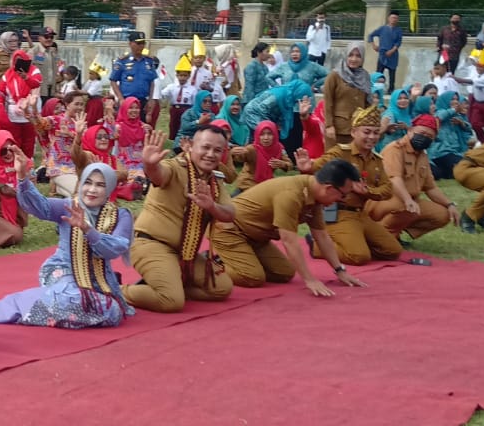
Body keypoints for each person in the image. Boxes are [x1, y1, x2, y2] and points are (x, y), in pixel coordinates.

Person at [0, 157, 133, 328]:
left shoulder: (120, 215)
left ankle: (48, 302)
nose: (92, 190)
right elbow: (40, 206)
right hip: (62, 271)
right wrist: (23, 178)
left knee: (113, 312)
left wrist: (88, 230)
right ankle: (28, 304)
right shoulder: (68, 206)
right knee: (72, 298)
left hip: (98, 279)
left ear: (110, 189)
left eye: (100, 185)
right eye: (88, 183)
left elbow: (117, 247)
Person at [211, 159, 371, 297]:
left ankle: (238, 259)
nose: (342, 200)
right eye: (342, 195)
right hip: (229, 230)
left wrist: (340, 270)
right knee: (252, 278)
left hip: (257, 238)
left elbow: (321, 236)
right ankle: (211, 263)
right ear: (329, 188)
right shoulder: (292, 195)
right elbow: (289, 241)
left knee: (283, 273)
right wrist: (310, 280)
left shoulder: (314, 195)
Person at [122, 125, 236, 313]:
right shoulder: (175, 166)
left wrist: (211, 206)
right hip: (151, 244)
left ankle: (170, 284)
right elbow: (159, 175)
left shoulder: (215, 180)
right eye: (205, 147)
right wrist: (149, 164)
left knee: (222, 288)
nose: (210, 154)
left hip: (184, 254)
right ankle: (114, 290)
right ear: (190, 146)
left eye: (217, 150)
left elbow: (230, 213)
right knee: (171, 302)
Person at [306, 105, 399, 265]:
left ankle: (354, 241)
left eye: (376, 132)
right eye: (366, 131)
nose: (372, 137)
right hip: (337, 214)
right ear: (353, 132)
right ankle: (317, 246)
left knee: (393, 251)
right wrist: (305, 167)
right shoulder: (340, 153)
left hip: (361, 214)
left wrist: (367, 191)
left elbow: (388, 190)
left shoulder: (376, 160)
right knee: (358, 257)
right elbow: (315, 168)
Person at [372, 114, 457, 246]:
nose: (424, 138)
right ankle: (380, 236)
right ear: (410, 130)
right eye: (421, 133)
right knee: (406, 208)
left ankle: (395, 232)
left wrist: (449, 204)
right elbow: (394, 179)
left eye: (430, 137)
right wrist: (408, 200)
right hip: (385, 200)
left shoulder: (422, 155)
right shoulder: (395, 149)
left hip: (408, 201)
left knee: (442, 215)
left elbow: (431, 188)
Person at [322, 42, 374, 145]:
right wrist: (329, 125)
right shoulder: (335, 76)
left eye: (358, 56)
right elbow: (328, 102)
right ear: (346, 56)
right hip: (338, 130)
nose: (354, 59)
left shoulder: (364, 76)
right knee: (335, 159)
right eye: (351, 55)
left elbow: (367, 103)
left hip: (358, 130)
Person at [427, 93, 473, 179]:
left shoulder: (457, 115)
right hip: (440, 152)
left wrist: (461, 123)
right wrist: (453, 110)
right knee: (463, 167)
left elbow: (469, 129)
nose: (455, 101)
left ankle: (447, 172)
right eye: (452, 99)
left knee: (469, 163)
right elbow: (439, 117)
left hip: (455, 151)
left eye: (456, 99)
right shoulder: (439, 112)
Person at [109, 32, 159, 110]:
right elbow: (113, 81)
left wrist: (150, 99)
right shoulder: (122, 61)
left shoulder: (148, 61)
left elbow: (151, 81)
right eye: (138, 43)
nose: (141, 46)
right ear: (130, 44)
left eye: (143, 43)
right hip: (127, 100)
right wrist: (121, 98)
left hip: (143, 101)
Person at [368, 11, 404, 92]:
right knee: (379, 74)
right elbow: (371, 35)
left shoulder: (398, 30)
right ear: (389, 18)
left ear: (398, 20)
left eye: (396, 18)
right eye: (392, 18)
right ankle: (377, 90)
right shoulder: (382, 29)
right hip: (382, 54)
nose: (394, 20)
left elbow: (398, 42)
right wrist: (374, 45)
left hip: (393, 55)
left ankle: (391, 90)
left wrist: (392, 50)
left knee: (392, 73)